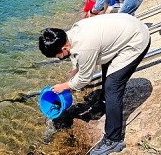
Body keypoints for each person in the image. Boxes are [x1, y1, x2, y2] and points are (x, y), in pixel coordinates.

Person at [38, 13, 151, 155]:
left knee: (112, 86)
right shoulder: (70, 35)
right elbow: (76, 61)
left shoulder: (85, 46)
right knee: (108, 70)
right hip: (126, 31)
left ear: (63, 49)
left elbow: (85, 78)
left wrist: (65, 87)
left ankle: (113, 140)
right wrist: (68, 82)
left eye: (56, 56)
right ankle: (105, 103)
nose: (58, 58)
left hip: (136, 40)